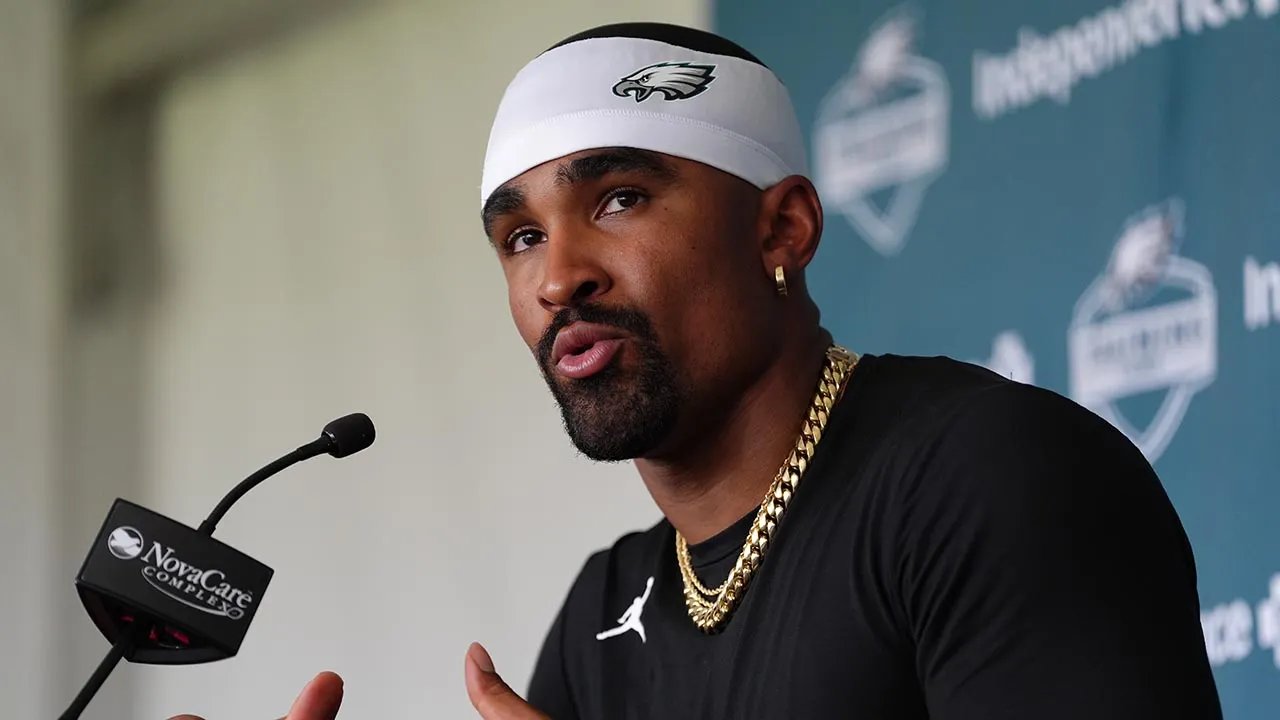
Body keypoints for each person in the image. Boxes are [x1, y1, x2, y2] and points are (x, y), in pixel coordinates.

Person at [172, 22, 1223, 720]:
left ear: (783, 228)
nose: (559, 277)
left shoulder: (988, 475)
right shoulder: (607, 609)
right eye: (521, 238)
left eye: (619, 198)